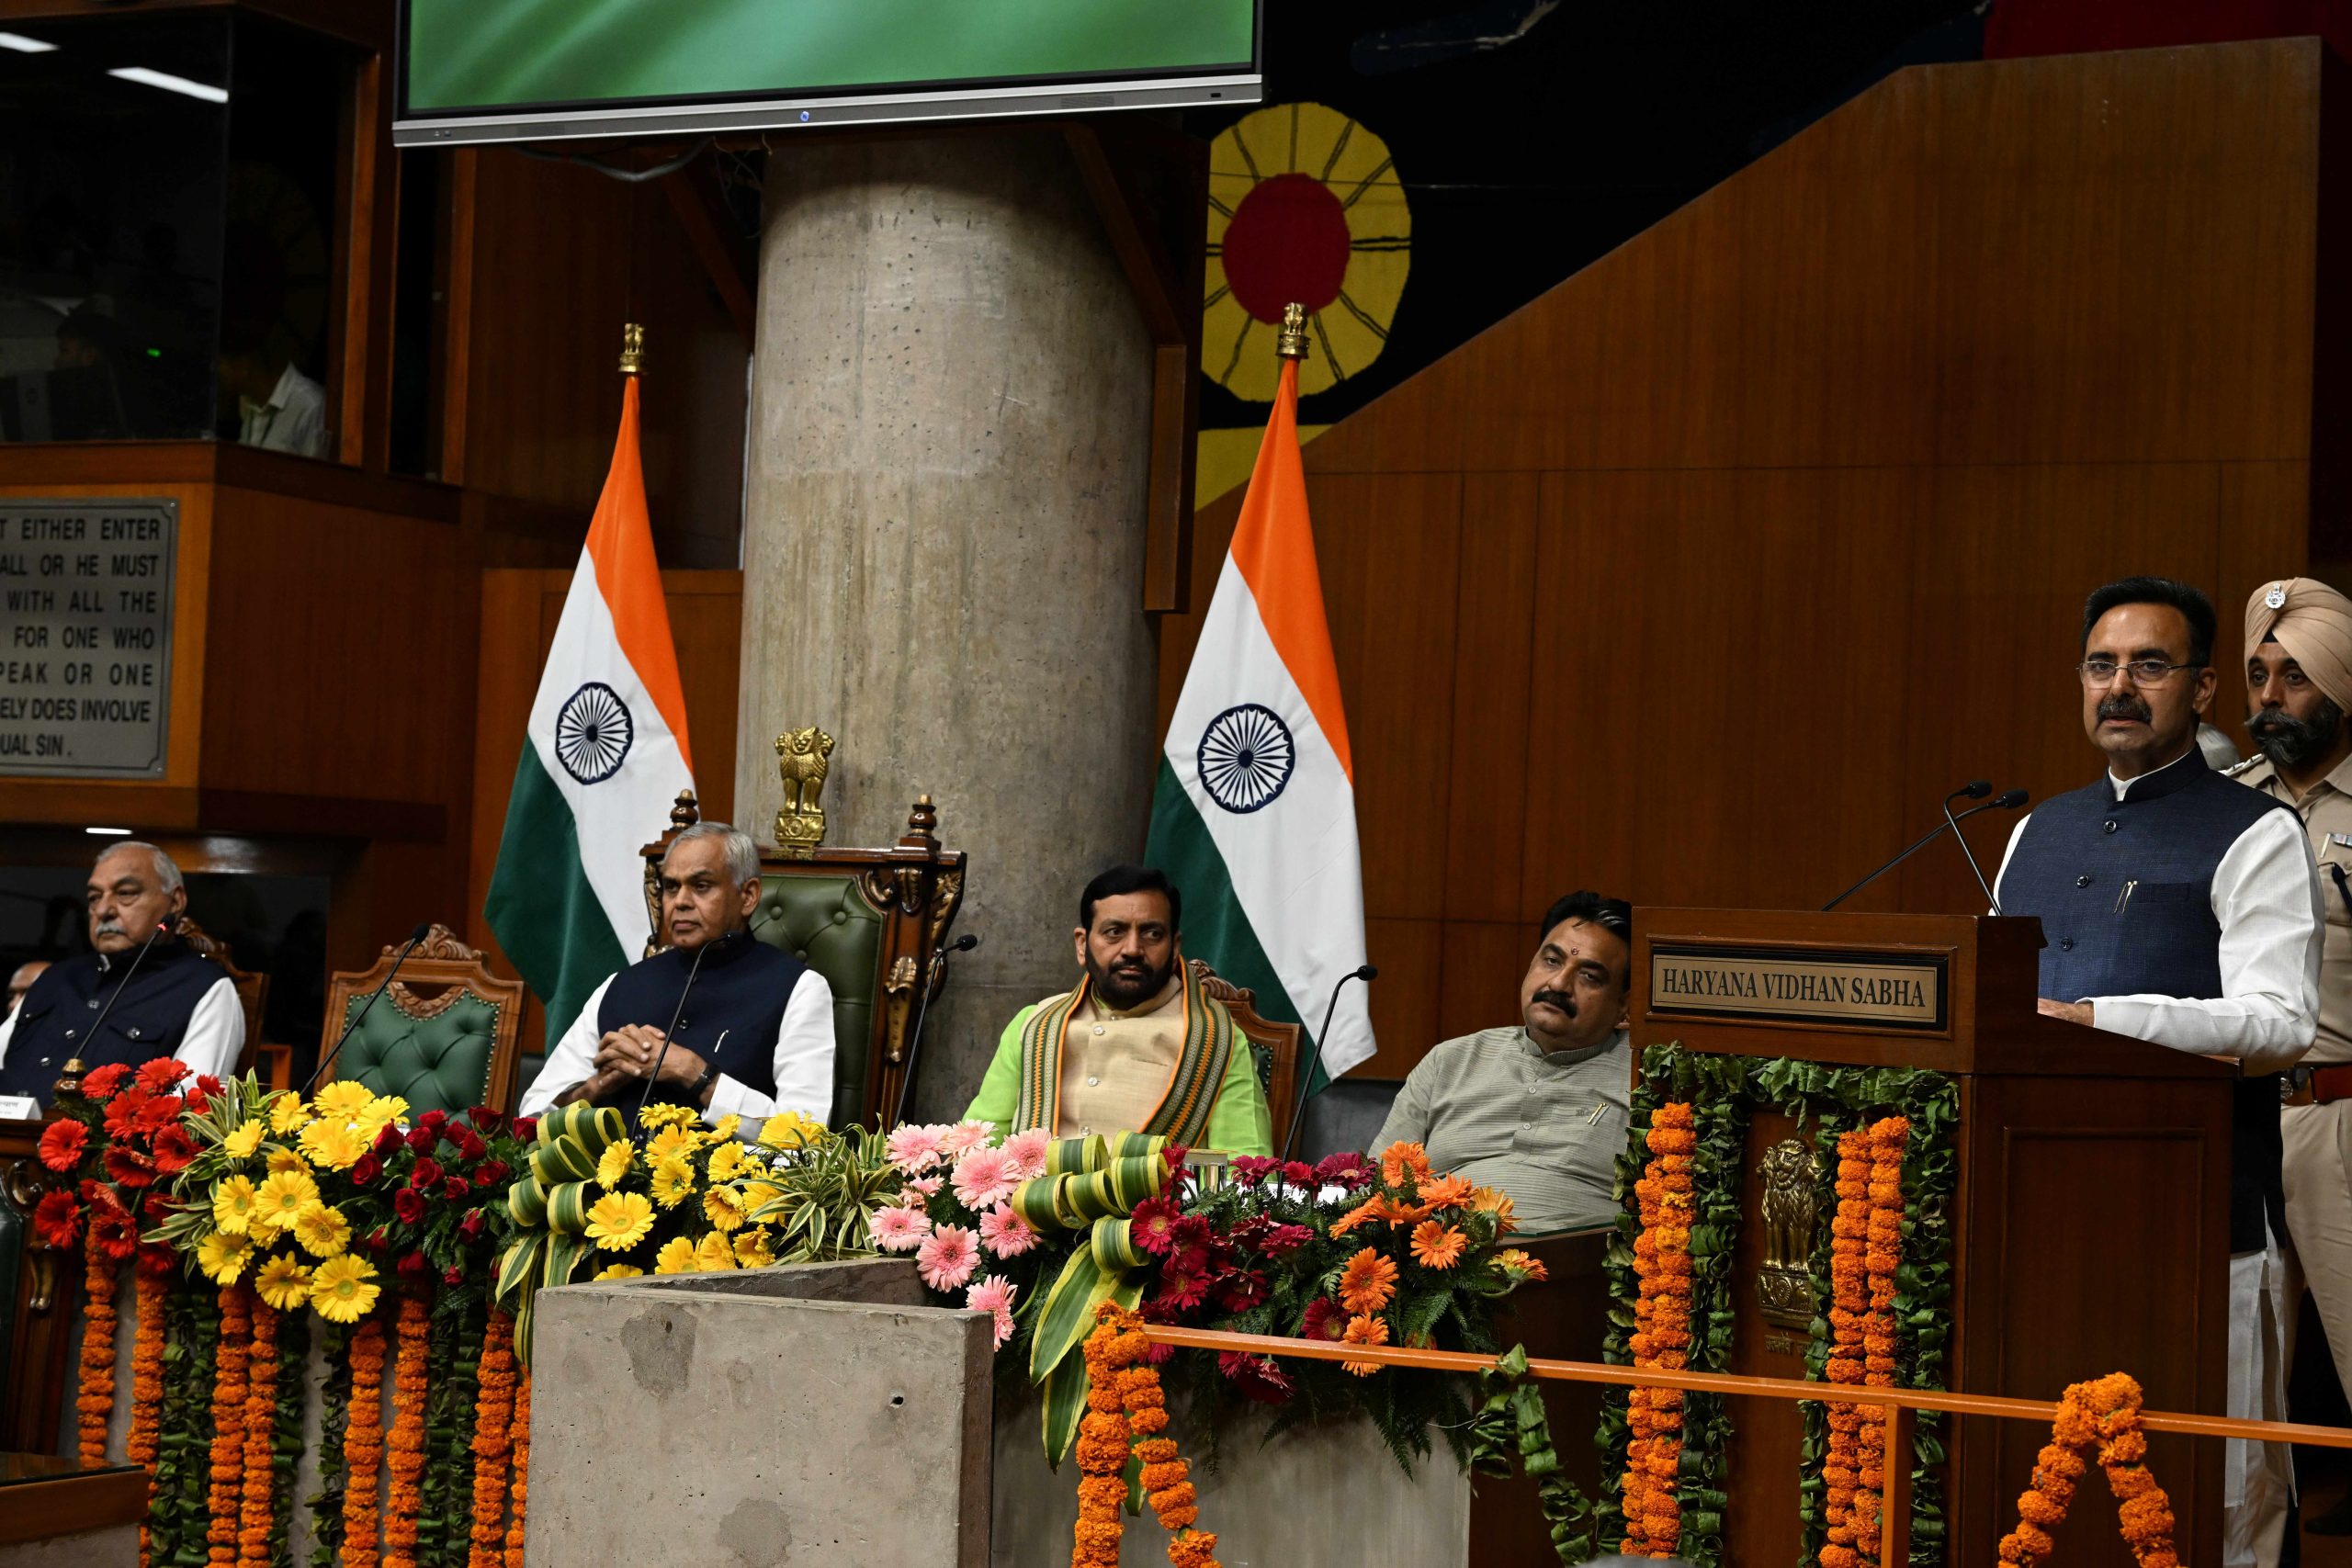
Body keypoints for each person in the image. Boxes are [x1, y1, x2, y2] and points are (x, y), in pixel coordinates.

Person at [1993, 575, 2322, 1568]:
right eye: (2101, 665)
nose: (2120, 686)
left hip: (2200, 1222)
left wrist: (2097, 1020)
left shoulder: (2255, 830)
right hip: (2039, 1224)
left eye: (2149, 665)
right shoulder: (2033, 828)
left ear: (2203, 687)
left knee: (2223, 1498)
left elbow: (2279, 1023)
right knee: (2053, 1491)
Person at [2233, 577, 2352, 1534]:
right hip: (2235, 1119)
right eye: (2257, 675)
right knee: (2243, 1382)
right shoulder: (2227, 806)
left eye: (2294, 678)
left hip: (2340, 1121)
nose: (2268, 699)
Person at [519, 821, 834, 1134]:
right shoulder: (620, 986)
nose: (680, 901)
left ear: (748, 896)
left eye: (701, 886)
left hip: (727, 1182)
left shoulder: (799, 989)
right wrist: (597, 1086)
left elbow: (805, 1136)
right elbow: (532, 1118)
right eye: (671, 887)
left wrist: (695, 1074)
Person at [1369, 891, 1633, 1234]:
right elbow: (1373, 1189)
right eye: (1551, 961)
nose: (1558, 984)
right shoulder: (1450, 1061)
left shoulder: (1644, 1079)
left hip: (1578, 1276)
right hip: (1436, 1268)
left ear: (1625, 1007)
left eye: (1589, 977)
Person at [963, 864, 1272, 1155]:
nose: (1133, 949)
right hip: (1030, 1208)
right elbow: (976, 1145)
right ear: (1082, 944)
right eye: (1114, 932)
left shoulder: (1216, 1040)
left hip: (1156, 1211)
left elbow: (1245, 1171)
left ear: (1175, 946)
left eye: (1152, 934)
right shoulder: (1033, 1024)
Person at [0, 843, 242, 1108]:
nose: (104, 910)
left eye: (125, 893)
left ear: (175, 902)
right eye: (94, 897)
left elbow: (185, 1115)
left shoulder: (204, 988)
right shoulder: (54, 978)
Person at [218, 338, 325, 458]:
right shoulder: (247, 402)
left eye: (220, 364)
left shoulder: (310, 404)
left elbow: (317, 474)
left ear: (243, 365)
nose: (218, 374)